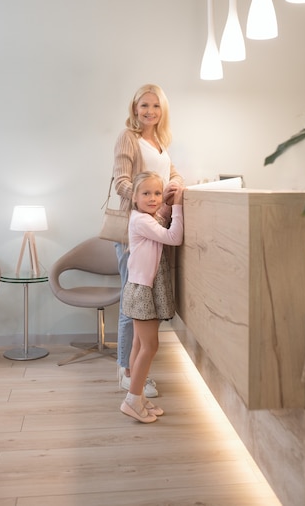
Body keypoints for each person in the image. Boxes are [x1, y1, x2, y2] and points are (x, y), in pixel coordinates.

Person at [113, 83, 183, 398]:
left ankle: (136, 375)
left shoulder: (160, 142)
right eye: (144, 106)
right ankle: (128, 374)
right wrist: (146, 202)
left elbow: (174, 175)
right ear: (135, 108)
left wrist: (174, 185)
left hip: (155, 229)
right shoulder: (129, 138)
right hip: (136, 232)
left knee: (144, 307)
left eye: (155, 106)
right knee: (133, 305)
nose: (150, 111)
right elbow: (122, 181)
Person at [120, 171, 184, 423]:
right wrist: (177, 206)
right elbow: (173, 237)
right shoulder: (141, 221)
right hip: (142, 291)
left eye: (157, 193)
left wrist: (168, 203)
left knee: (139, 344)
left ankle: (138, 396)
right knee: (150, 345)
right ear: (134, 197)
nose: (153, 198)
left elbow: (161, 220)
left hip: (139, 287)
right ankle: (132, 400)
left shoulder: (145, 217)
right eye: (146, 193)